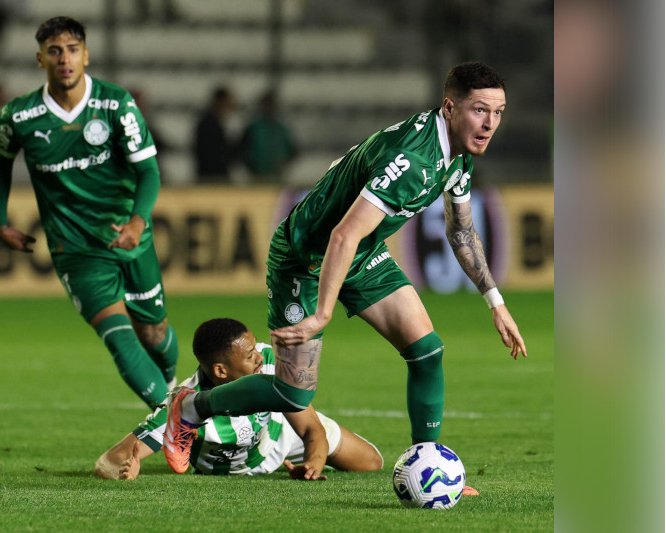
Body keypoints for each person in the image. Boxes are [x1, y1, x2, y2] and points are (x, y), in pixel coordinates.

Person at [163, 62, 528, 473]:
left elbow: (461, 231)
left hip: (361, 252)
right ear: (449, 107)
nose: (490, 123)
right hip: (304, 257)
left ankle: (430, 468)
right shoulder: (412, 159)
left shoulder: (457, 156)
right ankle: (193, 407)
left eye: (498, 112)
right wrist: (322, 313)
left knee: (427, 352)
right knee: (293, 395)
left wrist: (495, 302)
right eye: (480, 110)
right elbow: (341, 235)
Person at [0, 17, 178, 410]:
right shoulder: (19, 116)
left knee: (154, 332)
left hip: (129, 239)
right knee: (121, 339)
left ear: (86, 55)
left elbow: (148, 171)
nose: (64, 59)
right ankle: (179, 420)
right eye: (55, 51)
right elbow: (0, 163)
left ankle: (175, 387)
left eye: (73, 50)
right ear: (41, 58)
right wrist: (0, 220)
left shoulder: (116, 104)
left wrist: (138, 222)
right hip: (75, 248)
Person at [95, 318, 384, 480]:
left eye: (255, 348)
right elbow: (108, 461)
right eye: (249, 357)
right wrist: (124, 470)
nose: (259, 357)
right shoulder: (180, 407)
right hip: (229, 470)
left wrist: (312, 463)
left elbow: (311, 429)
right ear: (220, 370)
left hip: (279, 437)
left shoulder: (270, 359)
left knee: (372, 462)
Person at [240, 90, 298, 183]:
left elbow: (293, 152)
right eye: (266, 104)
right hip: (257, 177)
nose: (269, 107)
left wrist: (283, 165)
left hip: (277, 178)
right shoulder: (253, 128)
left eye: (271, 104)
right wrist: (251, 169)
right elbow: (242, 151)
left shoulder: (282, 130)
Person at [193, 86, 235, 183]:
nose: (229, 107)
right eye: (227, 103)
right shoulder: (208, 124)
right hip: (211, 179)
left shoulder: (213, 123)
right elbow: (213, 155)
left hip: (212, 177)